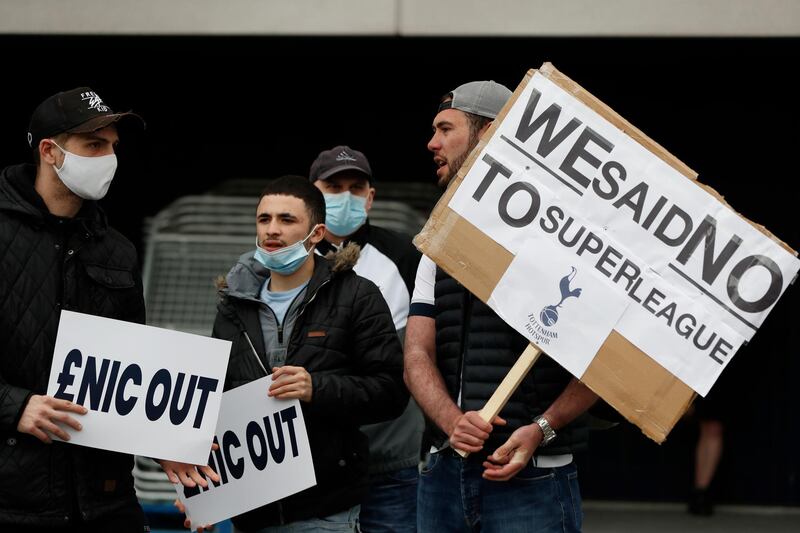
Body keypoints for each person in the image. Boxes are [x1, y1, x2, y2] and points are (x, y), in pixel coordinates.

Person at [404, 81, 598, 533]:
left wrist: (541, 430)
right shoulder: (439, 239)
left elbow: (600, 365)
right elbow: (415, 354)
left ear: (489, 132)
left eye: (445, 129)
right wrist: (452, 423)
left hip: (535, 478)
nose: (432, 143)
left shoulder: (568, 243)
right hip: (442, 476)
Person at [209, 175, 407, 532]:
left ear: (316, 234)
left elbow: (391, 393)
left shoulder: (358, 296)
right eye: (264, 219)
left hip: (325, 509)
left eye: (287, 220)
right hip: (250, 509)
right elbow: (214, 403)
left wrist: (317, 388)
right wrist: (202, 492)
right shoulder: (232, 305)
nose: (272, 229)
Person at [0, 87, 151, 531]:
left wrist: (167, 437)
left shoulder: (116, 250)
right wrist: (13, 406)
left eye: (112, 147)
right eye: (94, 145)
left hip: (104, 502)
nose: (109, 158)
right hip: (14, 503)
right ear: (50, 151)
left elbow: (134, 365)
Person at [310, 146, 424, 532]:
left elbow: (426, 351)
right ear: (312, 194)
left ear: (371, 197)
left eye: (356, 187)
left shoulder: (407, 257)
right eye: (333, 186)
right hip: (309, 465)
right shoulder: (289, 261)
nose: (345, 196)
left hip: (389, 464)